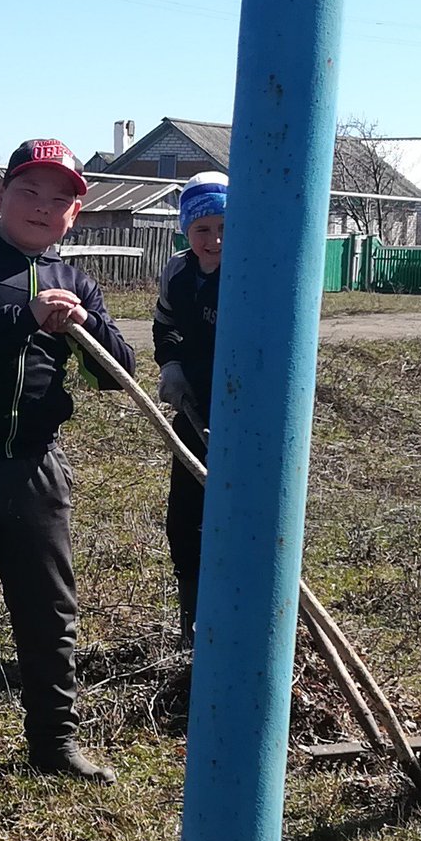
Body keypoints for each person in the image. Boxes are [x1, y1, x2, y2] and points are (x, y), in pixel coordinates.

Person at [0, 138, 136, 791]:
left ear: (75, 215)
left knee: (48, 611)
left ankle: (54, 741)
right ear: (0, 196)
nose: (43, 207)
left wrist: (85, 323)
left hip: (37, 468)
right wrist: (23, 317)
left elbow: (114, 372)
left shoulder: (76, 280)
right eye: (29, 192)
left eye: (60, 199)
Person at [152, 171, 227, 648]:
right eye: (202, 229)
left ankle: (228, 625)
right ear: (185, 231)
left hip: (242, 416)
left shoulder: (247, 275)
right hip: (192, 409)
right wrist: (172, 365)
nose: (214, 238)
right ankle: (192, 626)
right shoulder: (178, 274)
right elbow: (165, 326)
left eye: (224, 226)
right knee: (185, 517)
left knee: (231, 517)